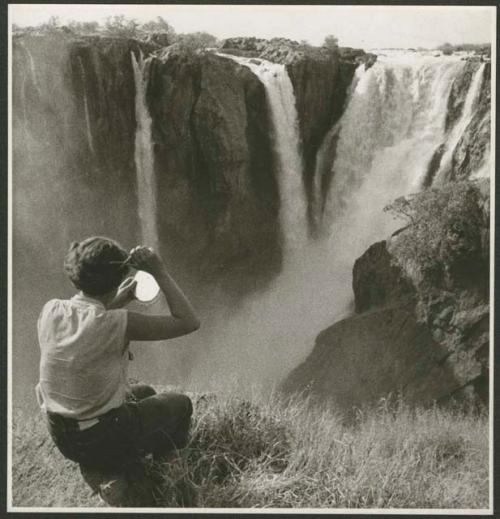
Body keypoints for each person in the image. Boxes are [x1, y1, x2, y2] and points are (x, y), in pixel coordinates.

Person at [36, 236, 200, 505]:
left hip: (62, 435)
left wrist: (112, 303)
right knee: (180, 405)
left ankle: (102, 467)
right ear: (117, 279)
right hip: (100, 437)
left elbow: (84, 332)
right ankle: (161, 474)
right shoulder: (115, 323)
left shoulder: (50, 310)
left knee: (145, 392)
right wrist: (159, 271)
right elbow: (189, 321)